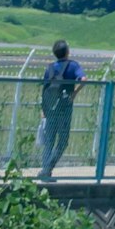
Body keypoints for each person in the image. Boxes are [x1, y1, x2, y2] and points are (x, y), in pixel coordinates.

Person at [36, 41, 83, 177]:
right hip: (65, 108)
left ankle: (45, 169)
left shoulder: (50, 68)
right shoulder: (73, 65)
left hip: (50, 108)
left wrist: (43, 108)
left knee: (49, 141)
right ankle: (47, 169)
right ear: (67, 51)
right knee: (62, 141)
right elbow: (83, 78)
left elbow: (45, 89)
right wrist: (74, 93)